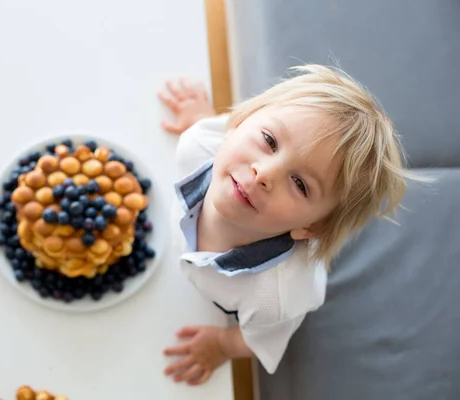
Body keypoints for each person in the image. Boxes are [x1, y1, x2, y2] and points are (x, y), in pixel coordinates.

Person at [158, 65, 409, 385]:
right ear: (239, 123)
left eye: (300, 184)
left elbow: (258, 339)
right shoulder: (197, 143)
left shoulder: (276, 299)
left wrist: (222, 345)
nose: (264, 173)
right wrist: (200, 118)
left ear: (312, 227)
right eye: (269, 140)